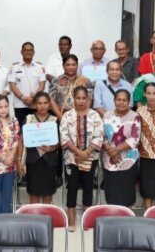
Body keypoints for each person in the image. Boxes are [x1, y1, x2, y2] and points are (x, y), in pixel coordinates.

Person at [60, 86, 103, 231]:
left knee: (88, 186)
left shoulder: (95, 115)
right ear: (73, 97)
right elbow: (64, 136)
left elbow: (99, 136)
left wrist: (86, 152)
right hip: (71, 158)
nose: (81, 101)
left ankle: (86, 217)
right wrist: (78, 152)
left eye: (84, 98)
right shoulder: (67, 116)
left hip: (91, 157)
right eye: (78, 98)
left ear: (88, 98)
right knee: (72, 186)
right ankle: (71, 217)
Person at [17, 92, 59, 204]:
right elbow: (21, 141)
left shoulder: (54, 120)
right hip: (33, 160)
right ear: (35, 104)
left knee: (48, 193)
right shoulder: (29, 119)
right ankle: (35, 219)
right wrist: (19, 161)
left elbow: (60, 141)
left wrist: (52, 148)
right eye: (39, 103)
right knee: (33, 192)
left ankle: (46, 219)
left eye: (45, 103)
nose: (43, 106)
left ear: (49, 104)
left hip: (49, 161)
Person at [102, 89, 141, 207]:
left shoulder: (135, 116)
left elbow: (135, 138)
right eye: (118, 99)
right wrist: (112, 152)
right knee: (111, 193)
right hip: (109, 160)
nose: (121, 102)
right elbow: (101, 136)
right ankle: (113, 221)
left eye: (124, 100)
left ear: (129, 102)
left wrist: (116, 150)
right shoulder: (107, 115)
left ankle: (127, 221)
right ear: (114, 100)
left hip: (128, 161)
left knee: (127, 193)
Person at [8, 42, 46, 125]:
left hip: (36, 104)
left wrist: (32, 98)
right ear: (21, 52)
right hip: (19, 105)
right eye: (26, 50)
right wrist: (22, 98)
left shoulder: (40, 66)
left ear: (34, 52)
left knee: (36, 129)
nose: (28, 52)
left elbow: (42, 85)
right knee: (21, 129)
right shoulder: (14, 67)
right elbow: (12, 85)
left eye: (30, 50)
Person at [49, 54, 93, 121]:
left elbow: (90, 99)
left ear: (77, 65)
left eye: (73, 64)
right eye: (68, 65)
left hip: (81, 117)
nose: (71, 67)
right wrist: (61, 117)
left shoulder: (86, 81)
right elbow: (51, 100)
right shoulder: (56, 81)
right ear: (63, 66)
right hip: (61, 116)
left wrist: (82, 115)